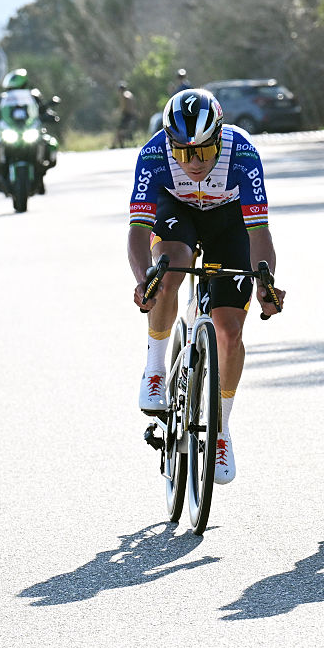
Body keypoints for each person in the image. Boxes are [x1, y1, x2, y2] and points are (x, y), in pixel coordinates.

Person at [129, 88, 286, 484]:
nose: (194, 162)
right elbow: (137, 231)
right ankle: (154, 370)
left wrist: (265, 281)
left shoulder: (244, 153)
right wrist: (142, 279)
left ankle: (220, 430)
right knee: (168, 273)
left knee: (230, 332)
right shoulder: (152, 154)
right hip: (176, 213)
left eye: (203, 151)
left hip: (228, 222)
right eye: (183, 152)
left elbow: (259, 233)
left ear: (219, 137)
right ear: (170, 144)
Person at [113, 82, 137, 148]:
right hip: (132, 115)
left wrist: (117, 113)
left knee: (119, 130)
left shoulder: (123, 95)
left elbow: (123, 107)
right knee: (127, 130)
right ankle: (124, 144)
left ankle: (115, 145)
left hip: (127, 115)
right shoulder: (130, 94)